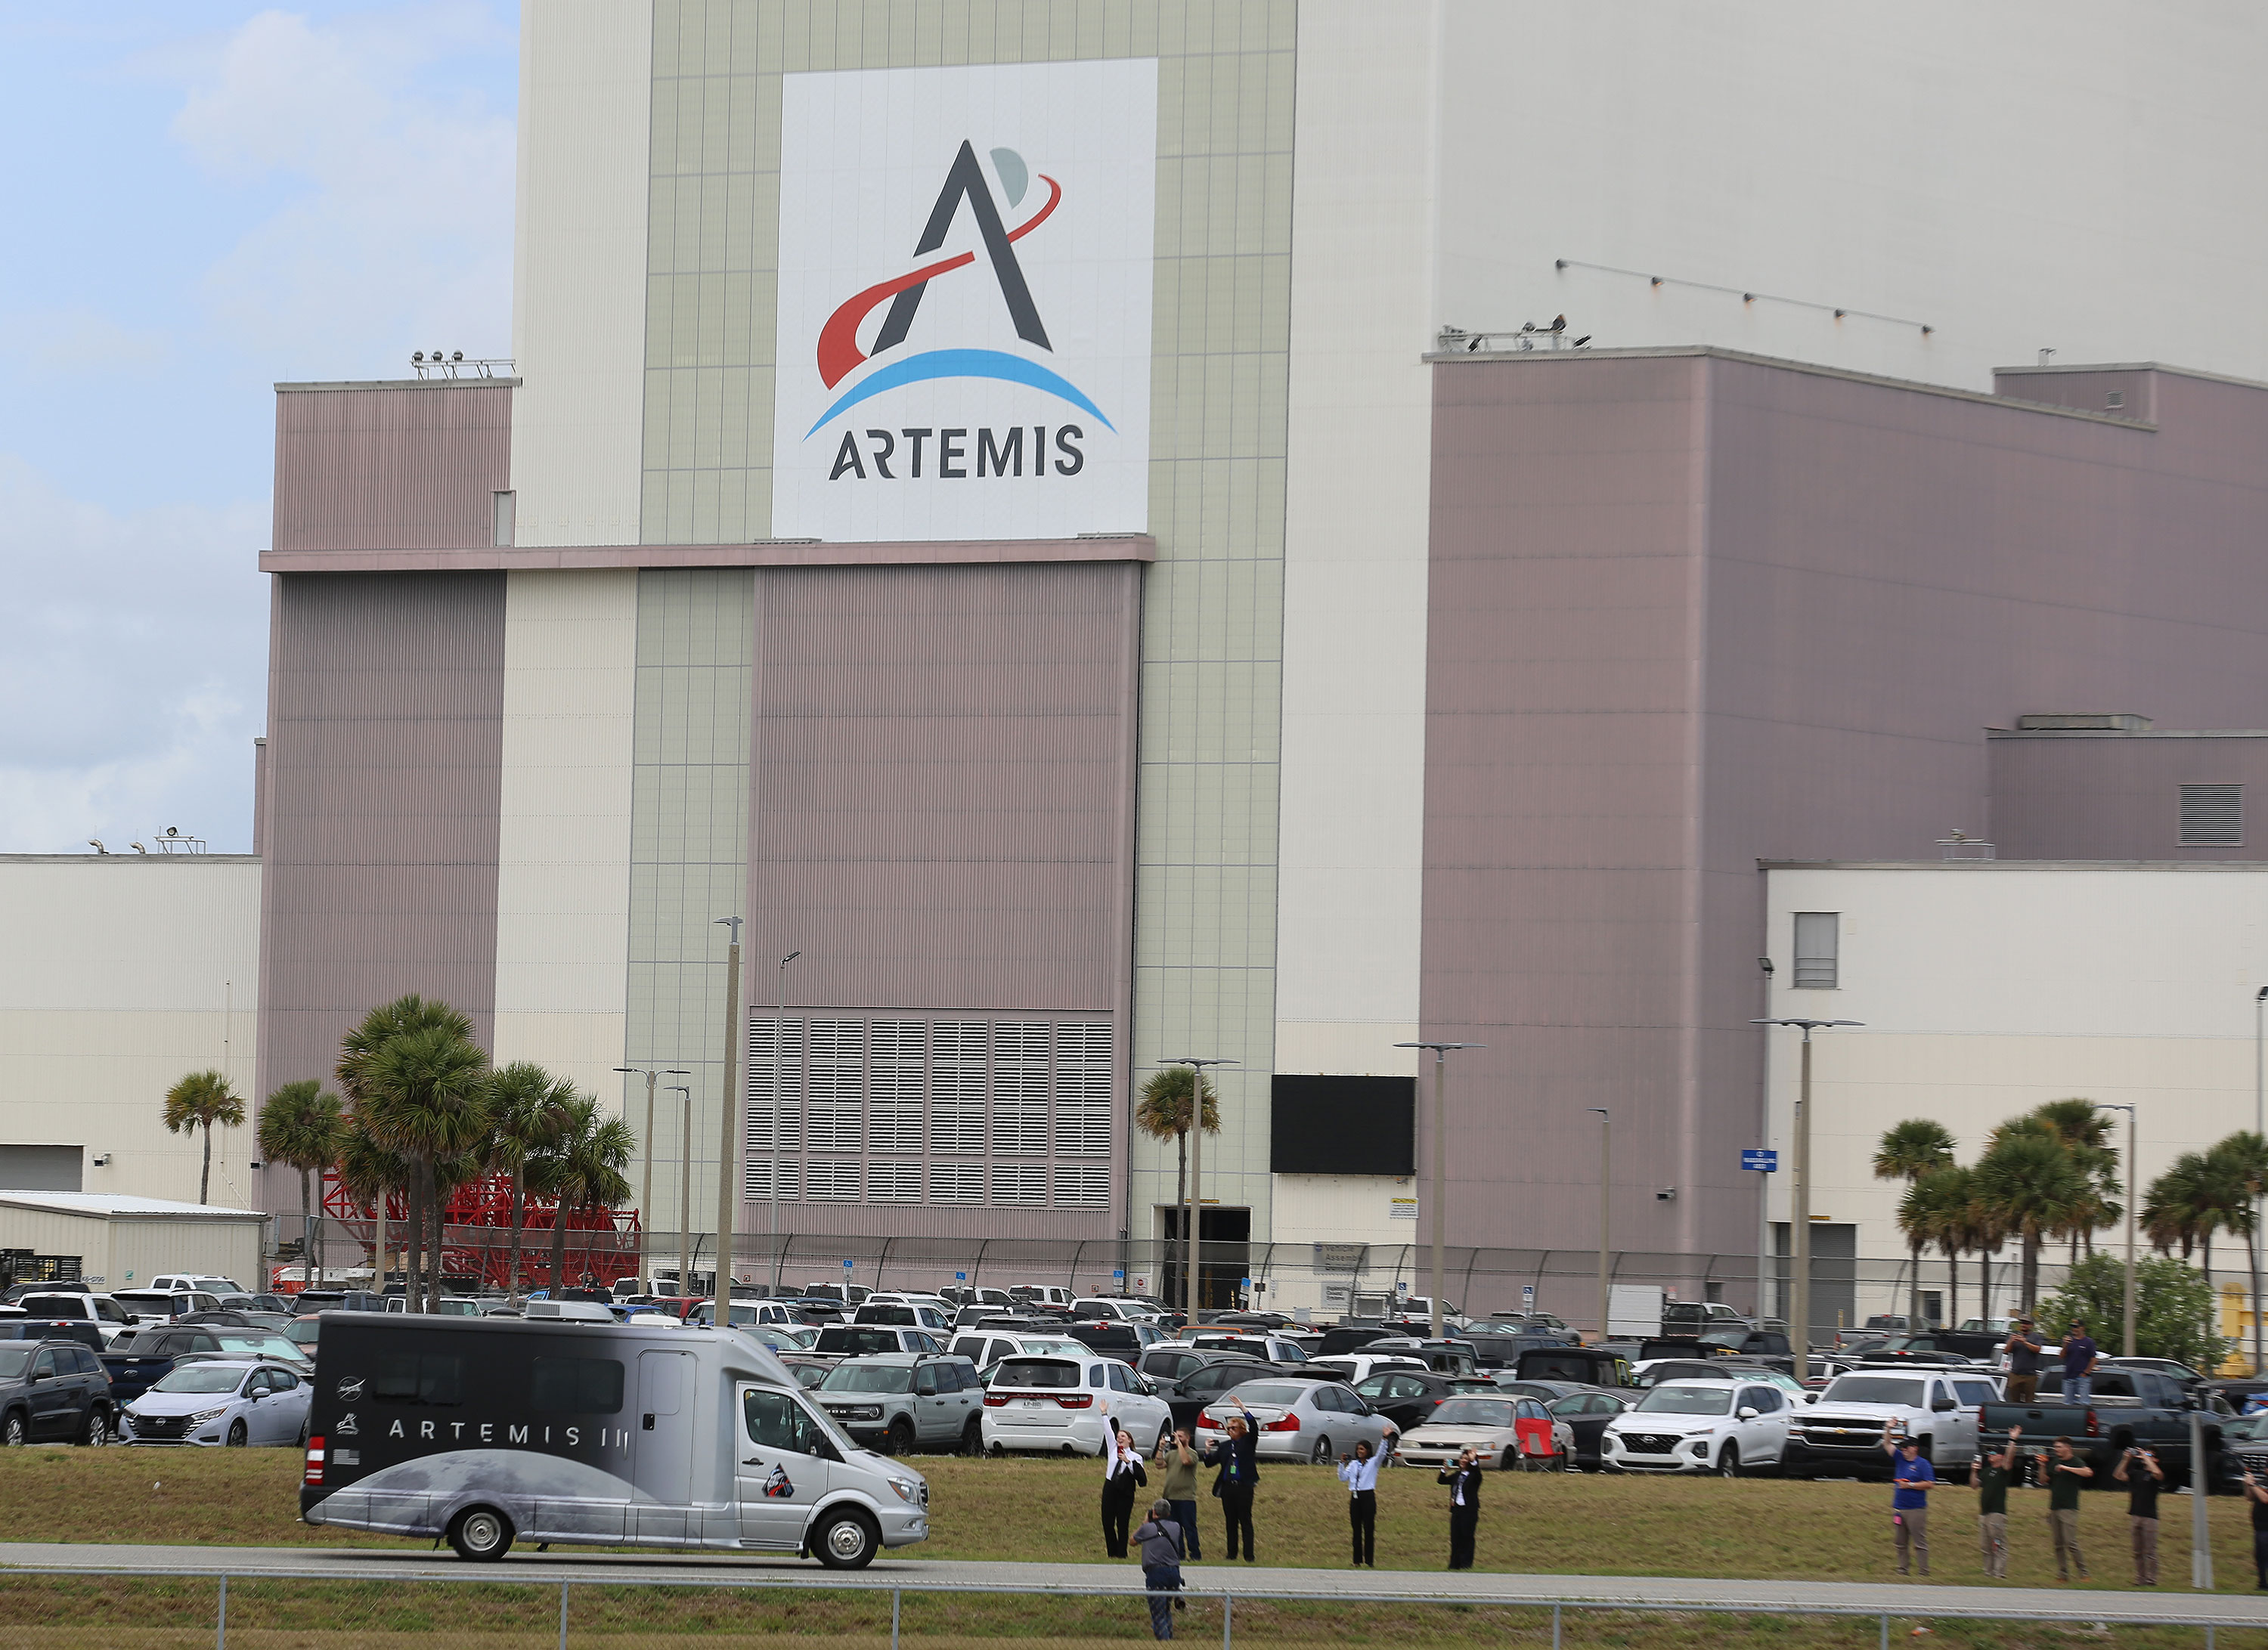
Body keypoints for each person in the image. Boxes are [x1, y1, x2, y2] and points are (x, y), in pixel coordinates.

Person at [1203, 1395, 1260, 1562]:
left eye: (1234, 1428)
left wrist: (1242, 1408)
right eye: (1228, 1428)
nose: (1230, 1430)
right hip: (1228, 1487)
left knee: (1245, 1521)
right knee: (1230, 1522)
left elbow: (1254, 1427)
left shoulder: (1248, 1441)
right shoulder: (1226, 1446)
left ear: (1241, 1429)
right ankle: (1231, 1554)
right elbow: (1209, 1463)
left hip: (1244, 1486)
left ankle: (1249, 1555)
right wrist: (1207, 1451)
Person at [1881, 1422, 1935, 1577]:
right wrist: (1888, 1429)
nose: (1903, 1450)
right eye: (1902, 1447)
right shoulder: (1900, 1459)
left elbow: (1930, 1484)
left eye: (1906, 1447)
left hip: (1916, 1509)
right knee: (1900, 1542)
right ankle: (1902, 1569)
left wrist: (1910, 1485)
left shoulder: (1922, 1464)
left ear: (1914, 1448)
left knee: (1919, 1542)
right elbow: (1887, 1444)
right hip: (1899, 1508)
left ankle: (1923, 1571)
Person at [1969, 1422, 2019, 1579]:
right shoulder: (1986, 1471)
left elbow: (2010, 1458)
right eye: (1989, 1452)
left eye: (1993, 1453)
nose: (1990, 1455)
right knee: (1985, 1546)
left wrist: (2013, 1440)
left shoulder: (2002, 1471)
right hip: (1984, 1514)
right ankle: (1988, 1572)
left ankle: (1999, 1573)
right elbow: (1974, 1485)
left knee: (1998, 1544)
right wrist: (1974, 1471)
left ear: (2000, 1456)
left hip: (1997, 1514)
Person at [1132, 1497, 1185, 1640]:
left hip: (1156, 1574)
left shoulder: (1147, 1528)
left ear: (1154, 1512)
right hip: (1173, 1573)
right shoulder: (1176, 1527)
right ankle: (1169, 1640)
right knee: (1166, 1610)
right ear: (1168, 1513)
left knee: (1158, 1614)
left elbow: (1132, 1541)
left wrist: (1146, 1522)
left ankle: (1164, 1643)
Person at [2113, 1444, 2163, 1586]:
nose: (2144, 1457)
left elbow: (2158, 1474)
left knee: (2150, 1551)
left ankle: (2151, 1580)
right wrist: (2125, 1460)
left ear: (2156, 1459)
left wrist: (2147, 1458)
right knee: (2137, 1551)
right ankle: (2140, 1579)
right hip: (2135, 1515)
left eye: (2150, 1455)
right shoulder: (2137, 1474)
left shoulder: (2155, 1475)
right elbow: (2118, 1475)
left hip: (2150, 1517)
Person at [2045, 1435, 2093, 1581]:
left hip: (2069, 1508)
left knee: (2070, 1542)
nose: (2056, 1450)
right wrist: (2041, 1466)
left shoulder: (2076, 1461)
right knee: (2058, 1544)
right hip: (2055, 1507)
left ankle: (2084, 1573)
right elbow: (2044, 1480)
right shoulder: (2054, 1463)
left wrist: (2066, 1468)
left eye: (2059, 1447)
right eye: (2055, 1447)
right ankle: (2063, 1574)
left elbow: (2088, 1472)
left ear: (2068, 1448)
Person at [1156, 1428, 1204, 1561]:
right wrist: (1160, 1448)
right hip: (1170, 1497)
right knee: (1175, 1529)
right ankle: (1179, 1555)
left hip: (1186, 1498)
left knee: (1189, 1528)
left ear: (1187, 1438)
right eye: (1176, 1436)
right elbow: (1159, 1465)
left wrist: (1180, 1444)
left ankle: (1195, 1555)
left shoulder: (1192, 1453)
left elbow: (1185, 1461)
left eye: (1180, 1436)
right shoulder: (1171, 1454)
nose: (1177, 1438)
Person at [1101, 1427, 1148, 1559]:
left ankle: (1122, 1554)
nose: (1119, 1438)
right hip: (1110, 1488)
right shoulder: (1113, 1450)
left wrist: (1128, 1462)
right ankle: (1112, 1553)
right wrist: (1104, 1414)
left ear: (1129, 1440)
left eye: (1123, 1436)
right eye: (1118, 1436)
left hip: (1125, 1492)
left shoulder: (1136, 1457)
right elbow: (1108, 1432)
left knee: (1123, 1524)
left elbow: (1141, 1478)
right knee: (1107, 1523)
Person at [1439, 1447, 1485, 1571]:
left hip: (1469, 1511)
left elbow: (1477, 1472)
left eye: (1466, 1459)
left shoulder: (1474, 1476)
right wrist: (1444, 1469)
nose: (1463, 1461)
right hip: (1457, 1510)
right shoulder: (1457, 1475)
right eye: (1462, 1458)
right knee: (1455, 1537)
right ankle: (1454, 1564)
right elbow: (1441, 1481)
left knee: (1467, 1537)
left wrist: (1474, 1460)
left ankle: (1466, 1564)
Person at [1338, 1438, 1382, 1567]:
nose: (1359, 1452)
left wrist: (1385, 1439)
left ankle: (1369, 1561)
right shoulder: (1353, 1464)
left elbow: (1381, 1453)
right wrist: (1341, 1464)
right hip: (1355, 1498)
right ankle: (1356, 1561)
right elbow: (1342, 1478)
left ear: (1368, 1451)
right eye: (1358, 1449)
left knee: (1368, 1530)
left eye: (1362, 1449)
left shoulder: (1373, 1463)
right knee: (1356, 1530)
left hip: (1367, 1496)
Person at [2003, 1318, 2045, 1404]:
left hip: (2030, 1375)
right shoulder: (2013, 1336)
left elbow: (2037, 1350)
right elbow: (2006, 1351)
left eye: (2026, 1323)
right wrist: (2011, 1341)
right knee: (2014, 1401)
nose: (2023, 1325)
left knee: (2029, 1401)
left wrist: (2025, 1342)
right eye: (2022, 1323)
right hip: (2015, 1374)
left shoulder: (2036, 1337)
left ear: (2031, 1325)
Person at [2062, 1320, 2099, 1408]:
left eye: (2076, 1327)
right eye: (2073, 1327)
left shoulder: (2089, 1342)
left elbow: (2093, 1359)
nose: (2074, 1329)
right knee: (2067, 1404)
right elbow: (2061, 1356)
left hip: (2082, 1378)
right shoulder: (2069, 1341)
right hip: (2069, 1377)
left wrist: (2086, 1373)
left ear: (2082, 1328)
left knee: (2084, 1404)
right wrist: (2065, 1345)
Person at [2242, 1467, 2268, 1589]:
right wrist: (2247, 1484)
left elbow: (2265, 1499)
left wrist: (2253, 1484)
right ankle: (2262, 1583)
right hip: (2259, 1527)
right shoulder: (2263, 1482)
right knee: (2260, 1557)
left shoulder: (2259, 1484)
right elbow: (2250, 1497)